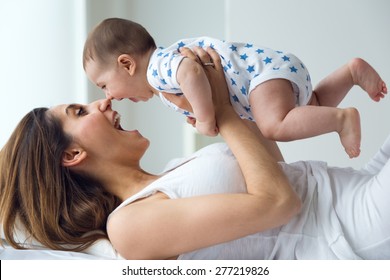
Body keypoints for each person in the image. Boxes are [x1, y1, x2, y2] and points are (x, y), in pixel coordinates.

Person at [1, 48, 390, 260]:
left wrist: (230, 103)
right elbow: (278, 204)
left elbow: (277, 173)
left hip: (354, 185)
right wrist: (220, 110)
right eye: (79, 113)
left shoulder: (173, 170)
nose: (101, 103)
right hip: (353, 230)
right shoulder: (129, 227)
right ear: (71, 153)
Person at [82, 18, 387, 158]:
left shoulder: (157, 69)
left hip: (259, 78)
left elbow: (191, 72)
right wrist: (201, 108)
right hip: (271, 71)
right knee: (313, 106)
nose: (108, 96)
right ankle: (350, 73)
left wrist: (204, 118)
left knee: (274, 125)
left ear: (126, 64)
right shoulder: (162, 64)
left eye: (104, 85)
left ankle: (342, 119)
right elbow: (197, 84)